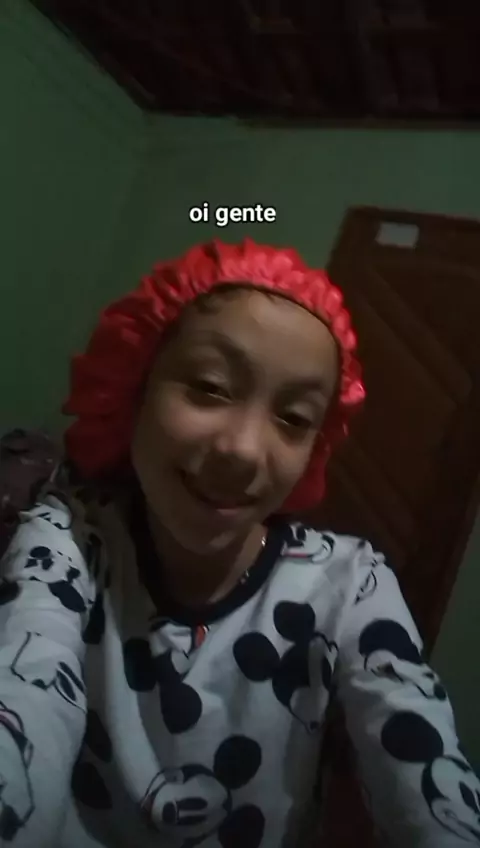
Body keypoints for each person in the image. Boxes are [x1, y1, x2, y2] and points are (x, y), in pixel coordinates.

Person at [0, 238, 478, 848]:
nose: (245, 451)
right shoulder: (68, 539)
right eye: (210, 386)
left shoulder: (349, 585)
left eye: (294, 418)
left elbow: (425, 769)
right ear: (134, 387)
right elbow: (24, 693)